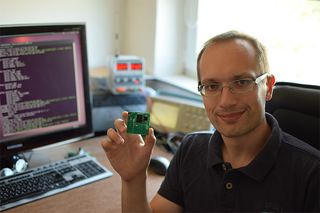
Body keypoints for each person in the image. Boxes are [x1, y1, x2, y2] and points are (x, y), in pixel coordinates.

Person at [101, 30, 320, 212]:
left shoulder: (312, 175)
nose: (226, 101)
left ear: (269, 87)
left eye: (242, 82)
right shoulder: (191, 149)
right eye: (212, 86)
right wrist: (133, 179)